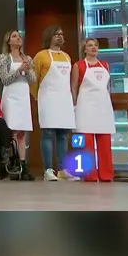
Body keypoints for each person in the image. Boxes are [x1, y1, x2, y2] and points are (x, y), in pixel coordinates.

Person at [31, 25, 78, 181]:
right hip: (48, 99)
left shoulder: (66, 57)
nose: (59, 37)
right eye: (56, 34)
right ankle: (48, 170)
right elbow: (33, 80)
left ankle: (63, 169)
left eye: (61, 34)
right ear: (49, 37)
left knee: (63, 136)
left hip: (64, 99)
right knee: (48, 133)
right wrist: (39, 97)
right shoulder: (41, 56)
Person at [0, 30, 37, 181]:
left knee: (22, 133)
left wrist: (29, 68)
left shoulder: (27, 58)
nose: (18, 38)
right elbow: (5, 80)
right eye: (14, 36)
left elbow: (32, 79)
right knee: (11, 132)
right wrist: (19, 70)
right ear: (8, 41)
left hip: (23, 97)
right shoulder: (3, 58)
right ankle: (10, 164)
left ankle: (23, 165)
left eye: (19, 36)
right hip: (11, 97)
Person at [71, 38, 115, 182]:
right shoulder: (79, 66)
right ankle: (90, 175)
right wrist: (74, 107)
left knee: (105, 144)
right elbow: (74, 88)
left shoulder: (105, 65)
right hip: (85, 107)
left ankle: (106, 174)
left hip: (103, 107)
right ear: (84, 49)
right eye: (90, 45)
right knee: (87, 144)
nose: (93, 47)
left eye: (95, 45)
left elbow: (107, 87)